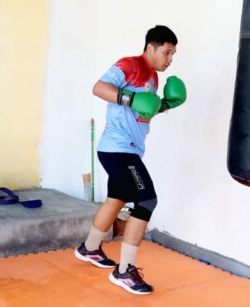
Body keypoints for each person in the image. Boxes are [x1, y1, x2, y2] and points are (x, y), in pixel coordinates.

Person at [74, 25, 186, 295]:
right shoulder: (130, 65)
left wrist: (166, 105)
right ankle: (124, 270)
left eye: (173, 54)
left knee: (117, 199)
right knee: (146, 199)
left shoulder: (153, 78)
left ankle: (89, 248)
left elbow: (144, 111)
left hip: (130, 149)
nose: (170, 59)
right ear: (151, 48)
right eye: (167, 52)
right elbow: (99, 88)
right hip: (117, 148)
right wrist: (130, 97)